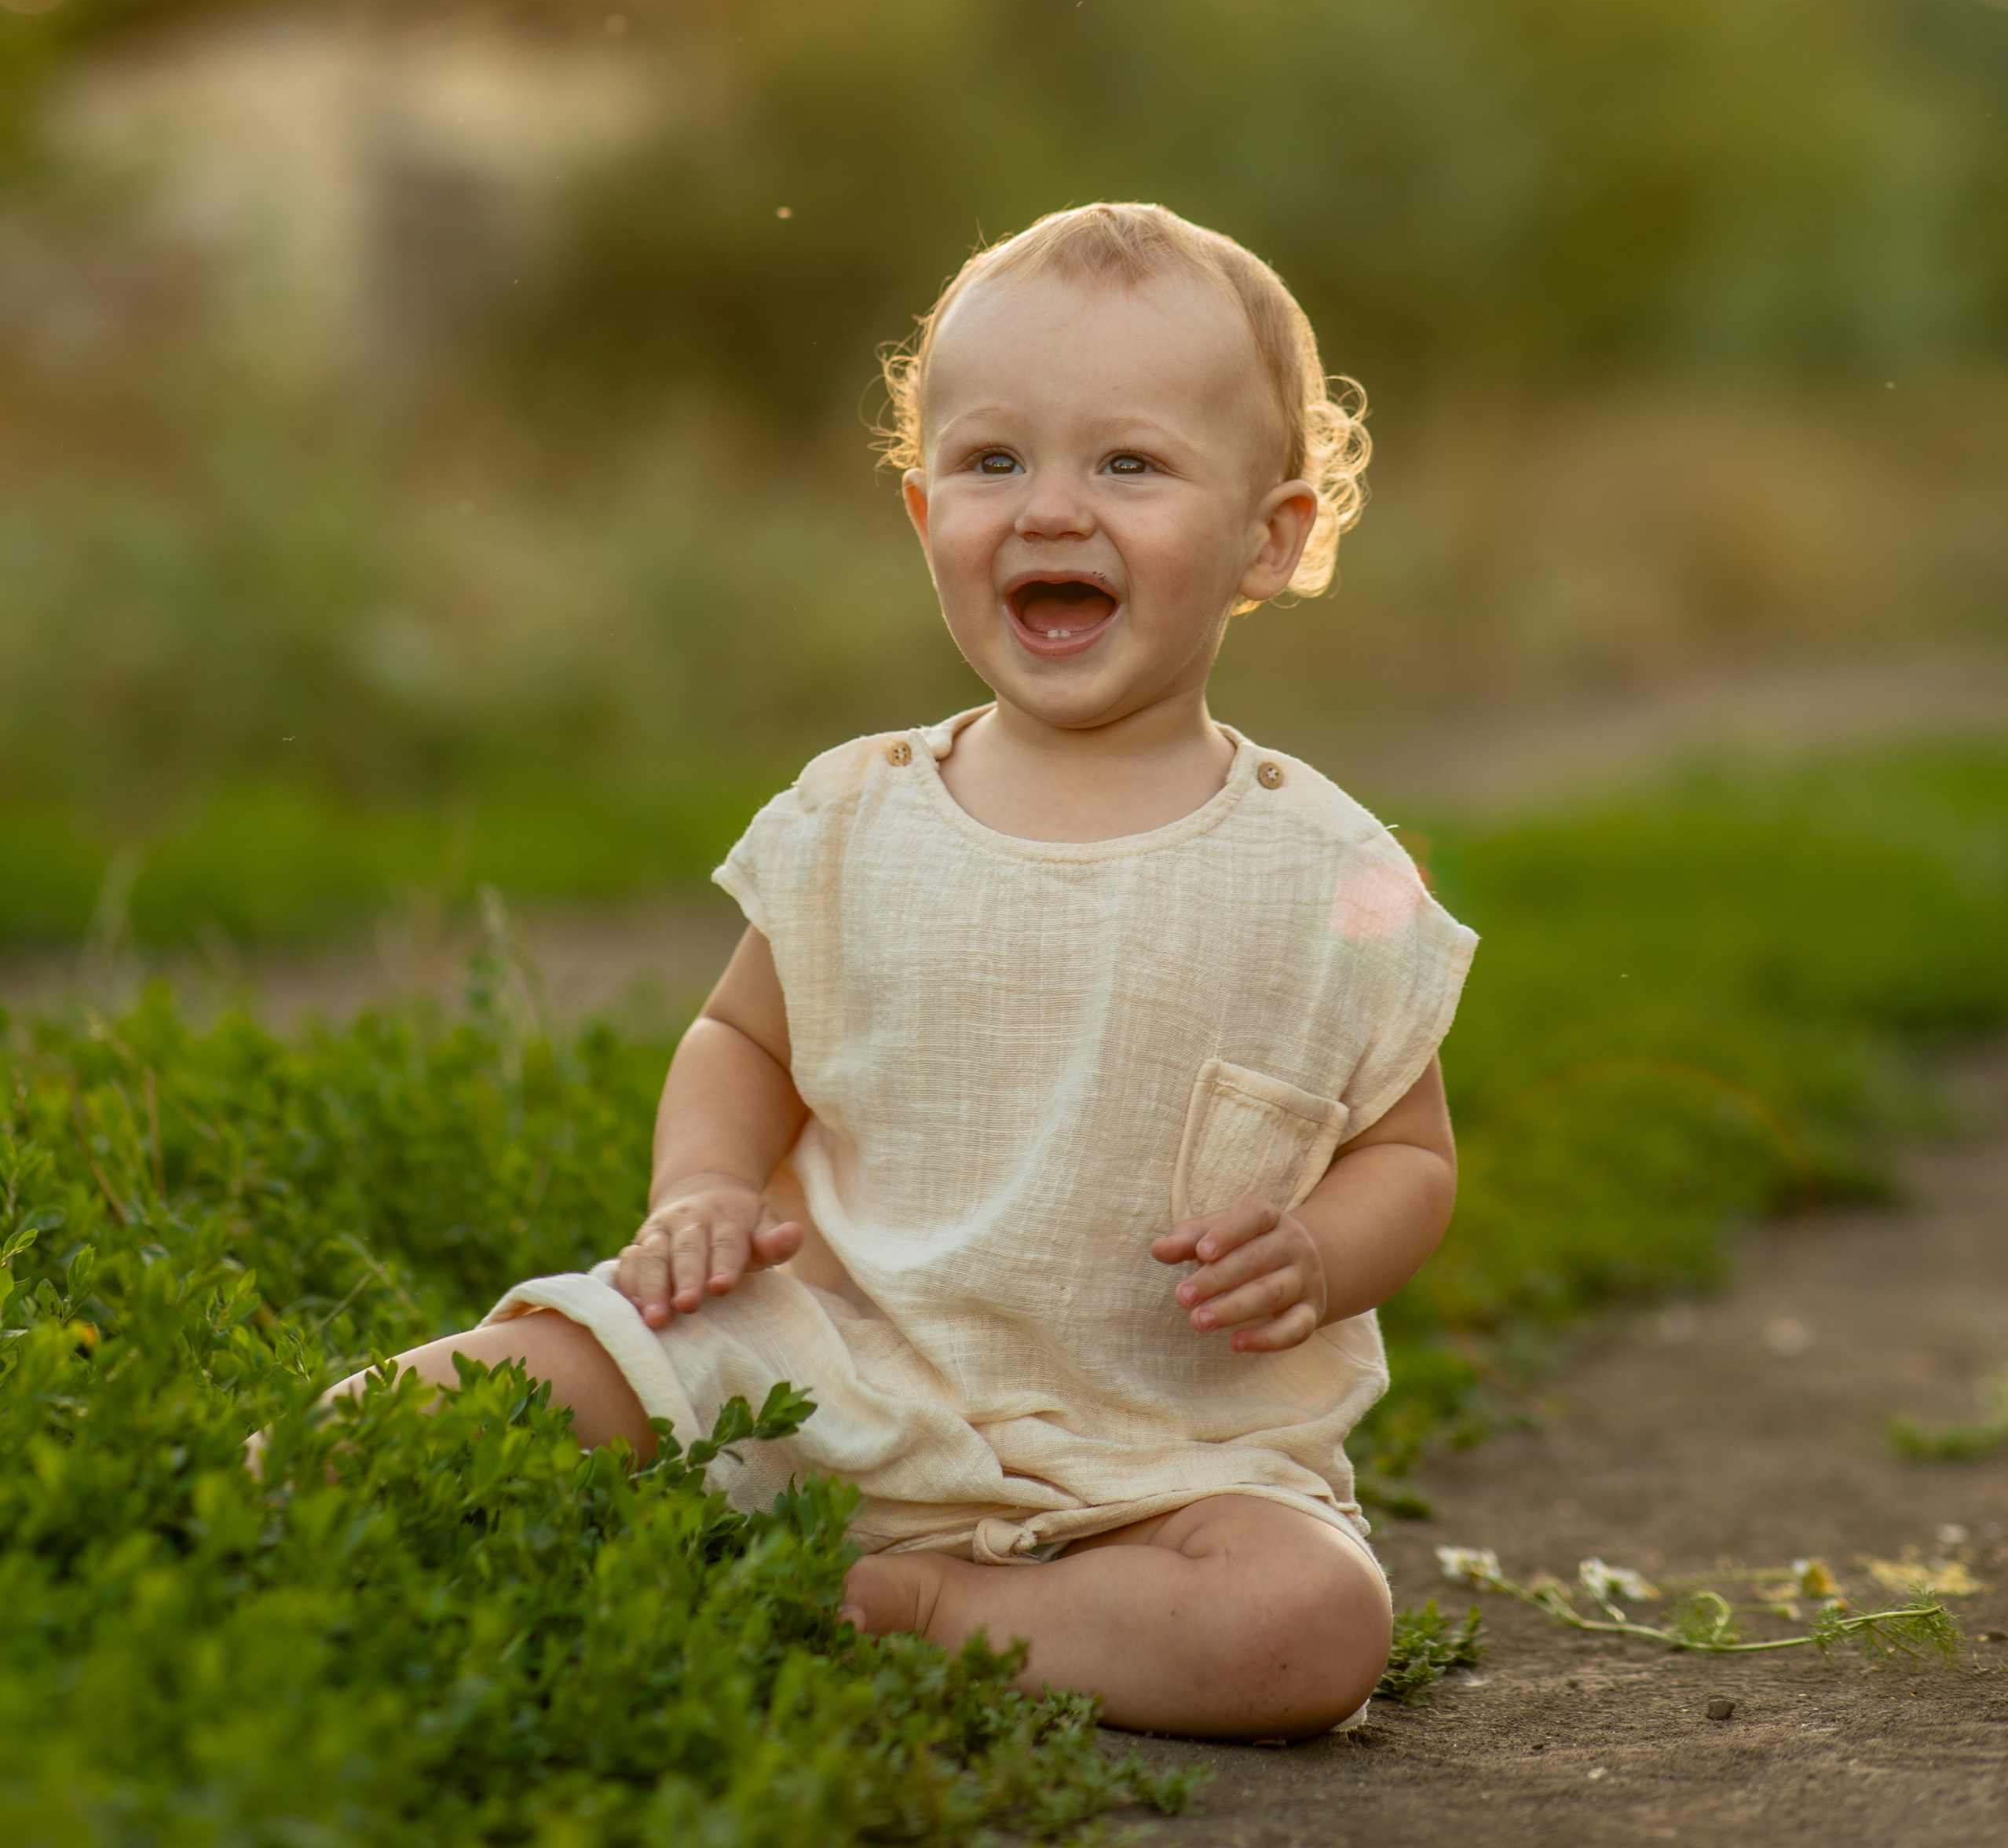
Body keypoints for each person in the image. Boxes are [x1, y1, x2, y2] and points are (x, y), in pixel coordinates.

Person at [324, 203, 1476, 1740]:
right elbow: (739, 1038)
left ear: (1268, 537)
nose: (1048, 510)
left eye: (1125, 464)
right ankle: (253, 1492)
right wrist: (700, 1195)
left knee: (1306, 1625)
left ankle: (937, 1610)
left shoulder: (1332, 872)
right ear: (921, 509)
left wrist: (1325, 1254)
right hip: (815, 1363)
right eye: (993, 462)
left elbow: (1408, 1150)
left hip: (1148, 1455)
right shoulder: (855, 815)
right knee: (436, 1410)